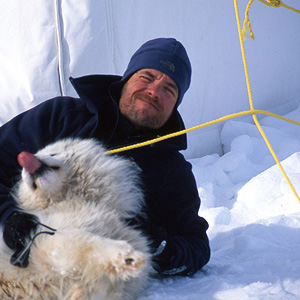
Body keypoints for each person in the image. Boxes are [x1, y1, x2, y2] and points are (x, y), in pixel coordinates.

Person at [0, 38, 210, 276]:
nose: (154, 91)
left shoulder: (171, 170)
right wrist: (8, 218)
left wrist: (156, 242)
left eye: (169, 89)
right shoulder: (61, 117)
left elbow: (197, 248)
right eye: (147, 77)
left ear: (175, 105)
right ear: (126, 80)